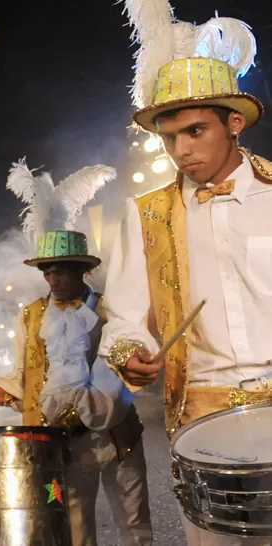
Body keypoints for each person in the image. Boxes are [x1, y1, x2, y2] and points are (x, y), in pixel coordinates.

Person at [101, 5, 272, 545]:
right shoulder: (146, 213)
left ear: (234, 124)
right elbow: (124, 316)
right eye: (169, 137)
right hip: (201, 415)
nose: (181, 150)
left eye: (195, 131)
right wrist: (128, 349)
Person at [0, 158, 151, 546]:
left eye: (60, 271)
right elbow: (32, 372)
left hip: (118, 435)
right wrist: (5, 391)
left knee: (134, 523)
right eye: (47, 272)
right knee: (74, 529)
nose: (52, 279)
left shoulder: (111, 311)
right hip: (64, 442)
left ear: (82, 272)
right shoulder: (32, 316)